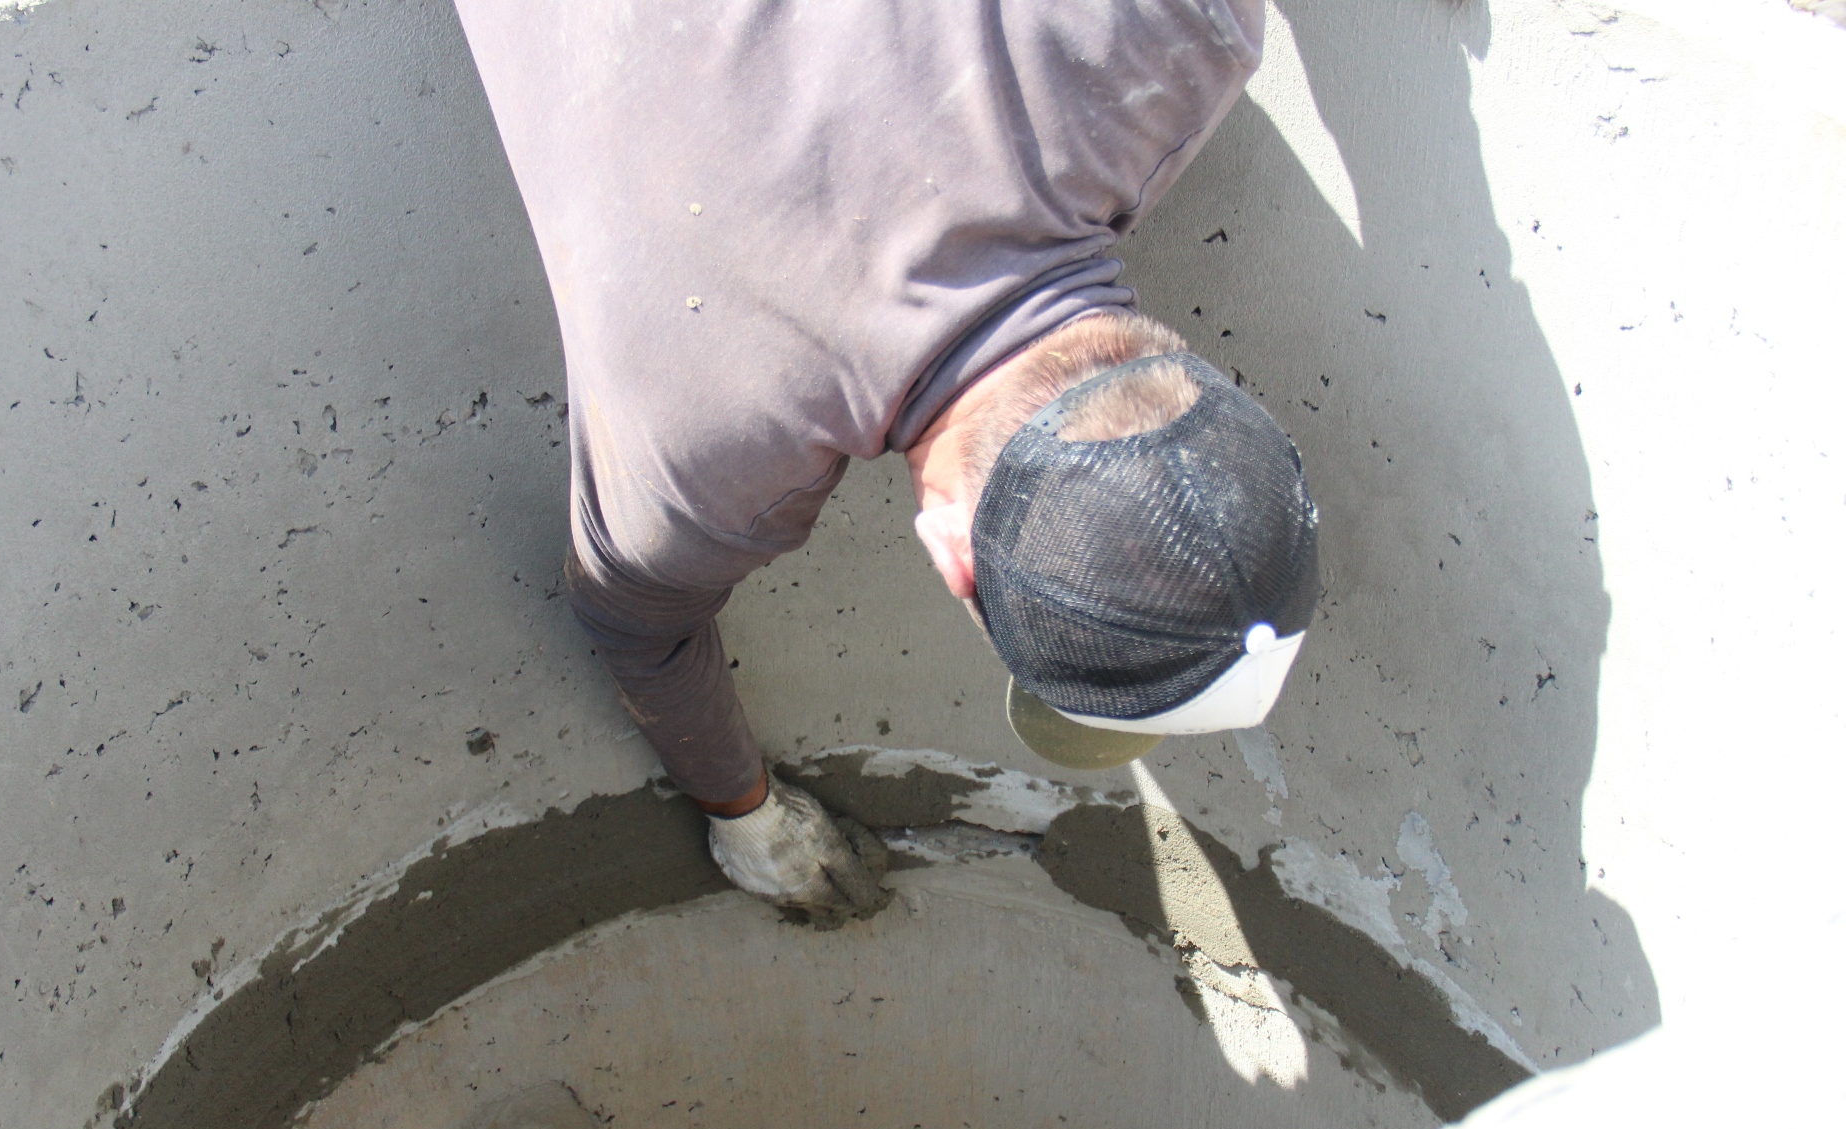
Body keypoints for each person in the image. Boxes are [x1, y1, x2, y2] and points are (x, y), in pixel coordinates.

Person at [454, 1, 1319, 926]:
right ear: (952, 556)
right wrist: (745, 820)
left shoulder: (1184, 36)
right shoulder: (707, 442)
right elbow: (630, 618)